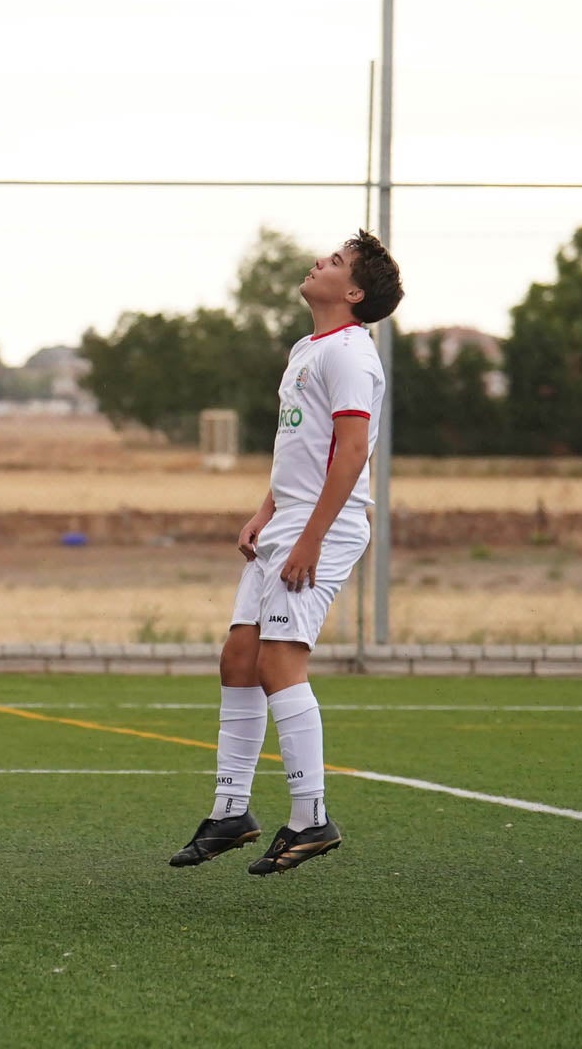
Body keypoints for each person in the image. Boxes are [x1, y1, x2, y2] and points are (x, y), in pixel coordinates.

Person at [170, 230, 403, 875]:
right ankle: (230, 811)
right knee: (240, 657)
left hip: (323, 526)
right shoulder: (307, 347)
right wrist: (266, 509)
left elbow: (353, 453)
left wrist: (311, 537)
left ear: (353, 292)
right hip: (289, 521)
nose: (318, 263)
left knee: (278, 659)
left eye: (334, 262)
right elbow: (300, 449)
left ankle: (311, 817)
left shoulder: (353, 353)